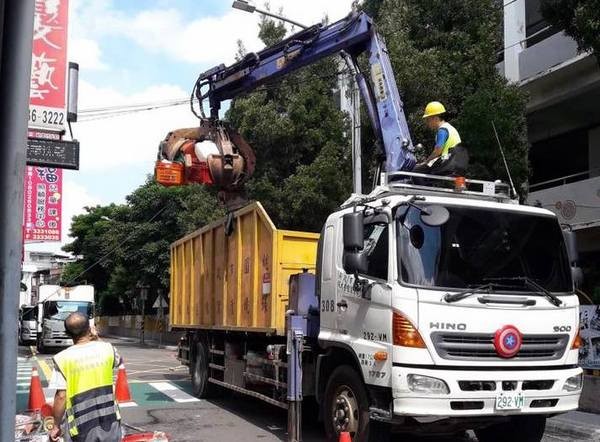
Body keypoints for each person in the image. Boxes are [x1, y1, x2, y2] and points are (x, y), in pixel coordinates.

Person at [49, 312, 123, 442]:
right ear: (90, 329)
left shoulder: (63, 358)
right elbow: (118, 361)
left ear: (68, 334)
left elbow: (61, 396)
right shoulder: (107, 349)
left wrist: (56, 426)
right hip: (110, 423)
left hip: (81, 428)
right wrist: (97, 337)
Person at [413, 101, 466, 177]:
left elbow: (438, 151)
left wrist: (425, 162)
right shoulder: (450, 128)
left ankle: (425, 189)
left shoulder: (442, 130)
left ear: (435, 118)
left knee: (416, 171)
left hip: (447, 163)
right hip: (456, 163)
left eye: (428, 119)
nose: (427, 123)